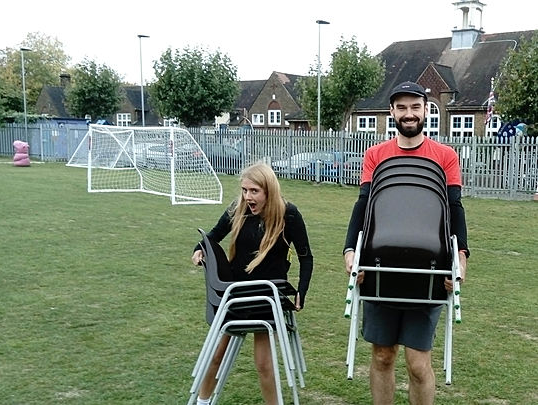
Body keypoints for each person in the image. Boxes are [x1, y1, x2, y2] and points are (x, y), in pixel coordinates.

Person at [343, 81, 469, 405]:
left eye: (415, 107)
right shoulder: (375, 155)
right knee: (383, 355)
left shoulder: (446, 156)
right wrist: (350, 251)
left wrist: (461, 258)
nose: (408, 114)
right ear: (391, 112)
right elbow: (363, 205)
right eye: (402, 107)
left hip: (428, 271)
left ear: (426, 110)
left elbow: (454, 209)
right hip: (380, 267)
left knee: (417, 363)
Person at [191, 162, 314, 405]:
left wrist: (302, 290)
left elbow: (305, 256)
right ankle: (203, 402)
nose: (248, 196)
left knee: (263, 363)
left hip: (267, 297)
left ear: (268, 190)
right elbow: (214, 235)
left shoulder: (288, 214)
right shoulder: (237, 209)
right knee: (216, 355)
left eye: (254, 191)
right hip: (236, 293)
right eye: (245, 190)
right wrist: (199, 249)